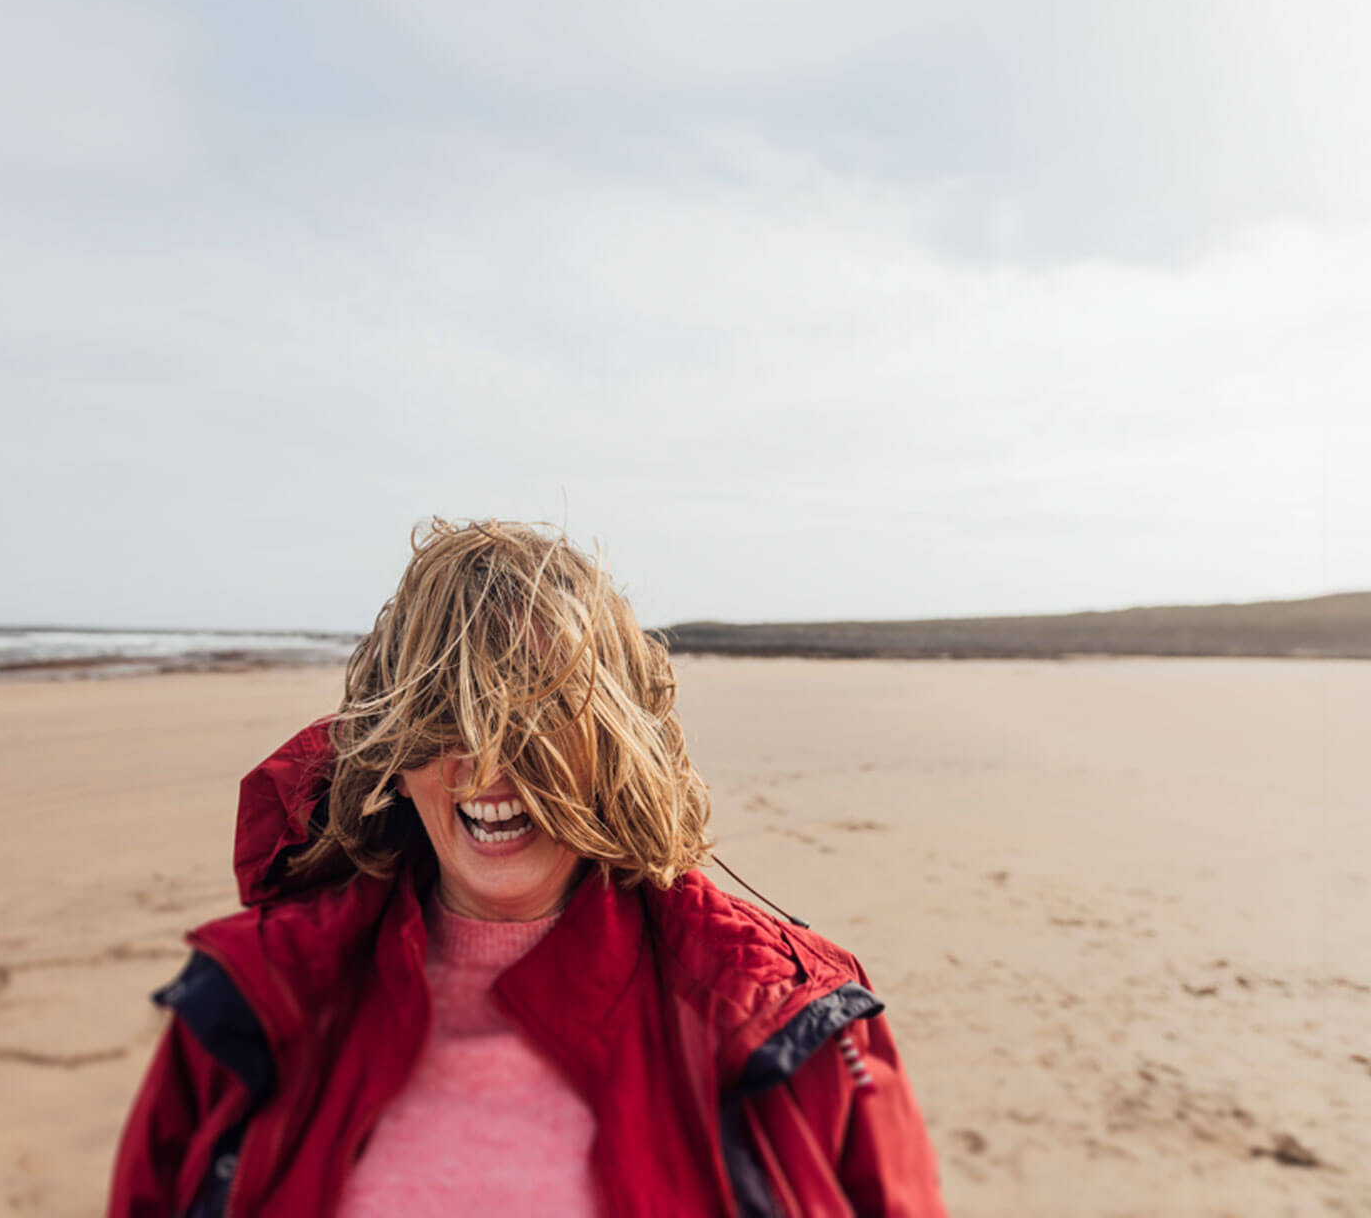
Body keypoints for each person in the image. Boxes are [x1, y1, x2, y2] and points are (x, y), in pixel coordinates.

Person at [109, 520, 945, 1216]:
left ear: (615, 744)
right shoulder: (247, 1001)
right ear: (393, 747)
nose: (486, 767)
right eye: (444, 712)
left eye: (538, 715)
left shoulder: (786, 1013)